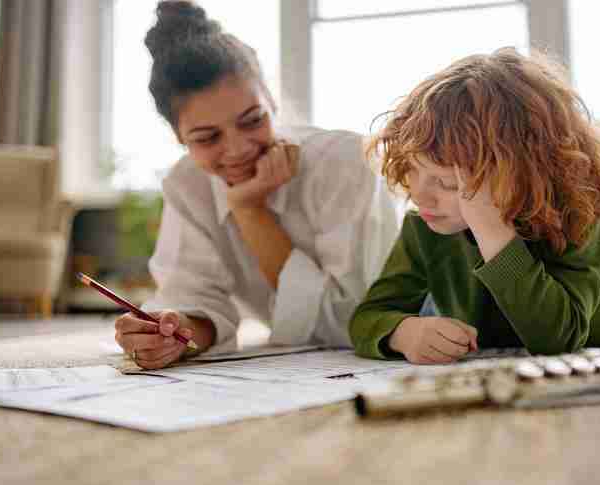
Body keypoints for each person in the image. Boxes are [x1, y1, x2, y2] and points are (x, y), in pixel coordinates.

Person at [349, 47, 600, 364]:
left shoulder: (578, 217)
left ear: (519, 174)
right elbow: (369, 316)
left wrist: (492, 231)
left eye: (446, 183)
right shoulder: (424, 227)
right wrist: (402, 332)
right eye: (413, 172)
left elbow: (557, 339)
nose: (419, 195)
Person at [114, 0, 399, 369]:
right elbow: (193, 297)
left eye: (252, 121)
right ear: (178, 136)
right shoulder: (187, 183)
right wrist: (173, 333)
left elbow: (355, 323)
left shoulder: (343, 163)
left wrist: (249, 210)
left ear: (271, 98)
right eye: (206, 138)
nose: (237, 150)